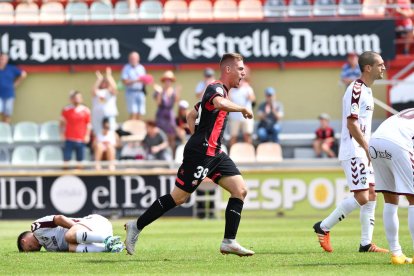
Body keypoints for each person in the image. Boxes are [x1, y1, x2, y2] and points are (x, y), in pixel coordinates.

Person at [124, 53, 254, 257]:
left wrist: (198, 136)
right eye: (240, 69)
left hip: (215, 153)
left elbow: (191, 114)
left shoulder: (221, 92)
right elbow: (218, 103)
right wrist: (242, 108)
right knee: (179, 198)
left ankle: (229, 241)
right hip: (202, 153)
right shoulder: (216, 89)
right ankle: (136, 226)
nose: (243, 72)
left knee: (240, 190)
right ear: (228, 70)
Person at [313, 51, 388, 253]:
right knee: (362, 196)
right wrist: (365, 147)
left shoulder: (368, 90)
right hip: (354, 150)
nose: (384, 68)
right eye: (380, 64)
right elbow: (351, 123)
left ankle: (366, 243)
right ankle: (323, 227)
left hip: (363, 150)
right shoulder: (355, 89)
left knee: (372, 194)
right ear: (368, 68)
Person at [369, 108, 414, 264]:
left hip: (375, 142)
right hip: (397, 143)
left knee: (390, 198)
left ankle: (396, 254)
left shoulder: (408, 111)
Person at [17, 214, 124, 253]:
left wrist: (76, 228)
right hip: (94, 234)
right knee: (71, 248)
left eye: (30, 248)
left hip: (96, 223)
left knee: (68, 236)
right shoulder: (49, 248)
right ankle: (108, 247)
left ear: (24, 241)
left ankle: (107, 238)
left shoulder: (36, 228)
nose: (34, 250)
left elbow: (58, 218)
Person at [60, 91, 91, 165]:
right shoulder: (66, 109)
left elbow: (88, 124)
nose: (77, 99)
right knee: (66, 159)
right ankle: (65, 174)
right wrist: (61, 134)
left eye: (78, 97)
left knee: (80, 160)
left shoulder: (86, 110)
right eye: (75, 98)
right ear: (71, 99)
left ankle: (79, 174)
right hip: (69, 139)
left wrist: (87, 135)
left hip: (81, 139)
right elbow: (62, 123)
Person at [228, 67, 256, 146]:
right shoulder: (231, 90)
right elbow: (228, 101)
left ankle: (249, 153)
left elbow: (253, 100)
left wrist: (248, 94)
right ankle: (232, 155)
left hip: (246, 117)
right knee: (233, 136)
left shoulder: (247, 88)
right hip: (234, 117)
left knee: (247, 135)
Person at [154, 70, 180, 152]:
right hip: (161, 114)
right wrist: (160, 93)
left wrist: (177, 93)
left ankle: (172, 156)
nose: (168, 81)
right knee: (160, 134)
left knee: (172, 135)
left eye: (169, 79)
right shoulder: (159, 90)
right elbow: (158, 104)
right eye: (166, 79)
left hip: (170, 114)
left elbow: (176, 101)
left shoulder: (173, 90)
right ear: (163, 80)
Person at [0, 53, 27, 123]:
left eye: (5, 59)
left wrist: (16, 84)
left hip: (9, 94)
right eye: (2, 58)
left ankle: (5, 129)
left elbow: (23, 74)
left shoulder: (11, 68)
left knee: (8, 113)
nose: (3, 60)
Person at [91, 67, 118, 136]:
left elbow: (114, 88)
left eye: (105, 82)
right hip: (98, 116)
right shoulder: (97, 91)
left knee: (110, 133)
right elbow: (93, 90)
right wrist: (99, 79)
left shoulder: (110, 92)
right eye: (102, 82)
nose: (104, 84)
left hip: (109, 115)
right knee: (98, 134)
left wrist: (109, 76)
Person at [121, 51, 147, 120]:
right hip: (131, 92)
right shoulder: (126, 68)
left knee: (140, 112)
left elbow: (144, 80)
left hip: (140, 92)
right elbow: (124, 81)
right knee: (133, 112)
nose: (133, 60)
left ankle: (139, 129)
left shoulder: (141, 68)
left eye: (135, 58)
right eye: (132, 58)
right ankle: (131, 130)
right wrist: (136, 80)